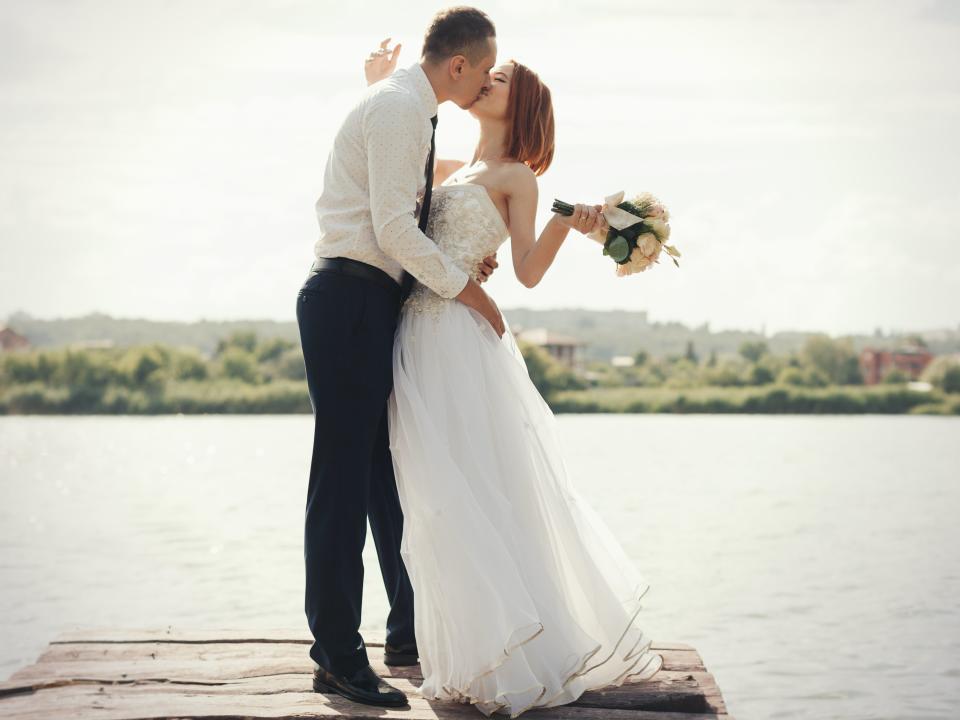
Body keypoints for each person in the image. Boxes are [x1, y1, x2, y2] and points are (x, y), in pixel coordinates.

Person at [369, 41, 666, 720]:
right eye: (486, 72)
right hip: (414, 333)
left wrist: (568, 221)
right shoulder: (453, 163)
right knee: (434, 499)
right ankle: (464, 655)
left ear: (521, 100)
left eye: (499, 77)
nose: (483, 79)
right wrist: (382, 85)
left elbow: (526, 270)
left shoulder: (518, 177)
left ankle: (518, 654)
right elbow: (400, 190)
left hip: (462, 344)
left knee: (473, 490)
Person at [296, 6, 504, 709]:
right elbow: (389, 226)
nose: (485, 82)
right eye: (483, 70)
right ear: (457, 66)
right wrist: (466, 290)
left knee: (379, 474)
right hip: (349, 298)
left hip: (367, 303)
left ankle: (401, 632)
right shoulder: (396, 110)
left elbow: (416, 203)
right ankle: (337, 656)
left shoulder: (411, 108)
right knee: (344, 483)